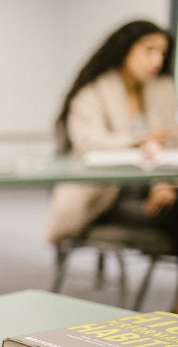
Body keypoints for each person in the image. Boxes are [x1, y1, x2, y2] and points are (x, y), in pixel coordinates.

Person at [46, 20, 178, 245]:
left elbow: (170, 147)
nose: (157, 60)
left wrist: (165, 185)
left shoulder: (162, 89)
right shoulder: (93, 92)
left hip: (155, 191)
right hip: (105, 198)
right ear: (125, 49)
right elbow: (89, 143)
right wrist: (140, 139)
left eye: (162, 53)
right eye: (149, 50)